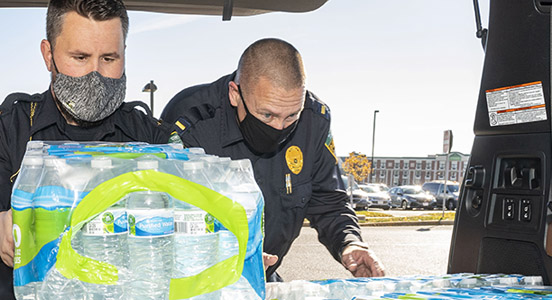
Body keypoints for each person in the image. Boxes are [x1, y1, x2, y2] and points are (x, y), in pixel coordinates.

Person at [0, 0, 165, 299]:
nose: (95, 73)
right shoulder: (8, 128)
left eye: (109, 58)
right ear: (49, 56)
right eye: (80, 57)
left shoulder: (150, 136)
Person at [160, 38, 387, 279]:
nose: (279, 127)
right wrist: (234, 256)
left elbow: (328, 199)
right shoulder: (189, 120)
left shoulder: (314, 120)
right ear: (235, 94)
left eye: (291, 117)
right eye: (267, 115)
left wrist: (349, 242)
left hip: (266, 278)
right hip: (197, 282)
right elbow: (160, 214)